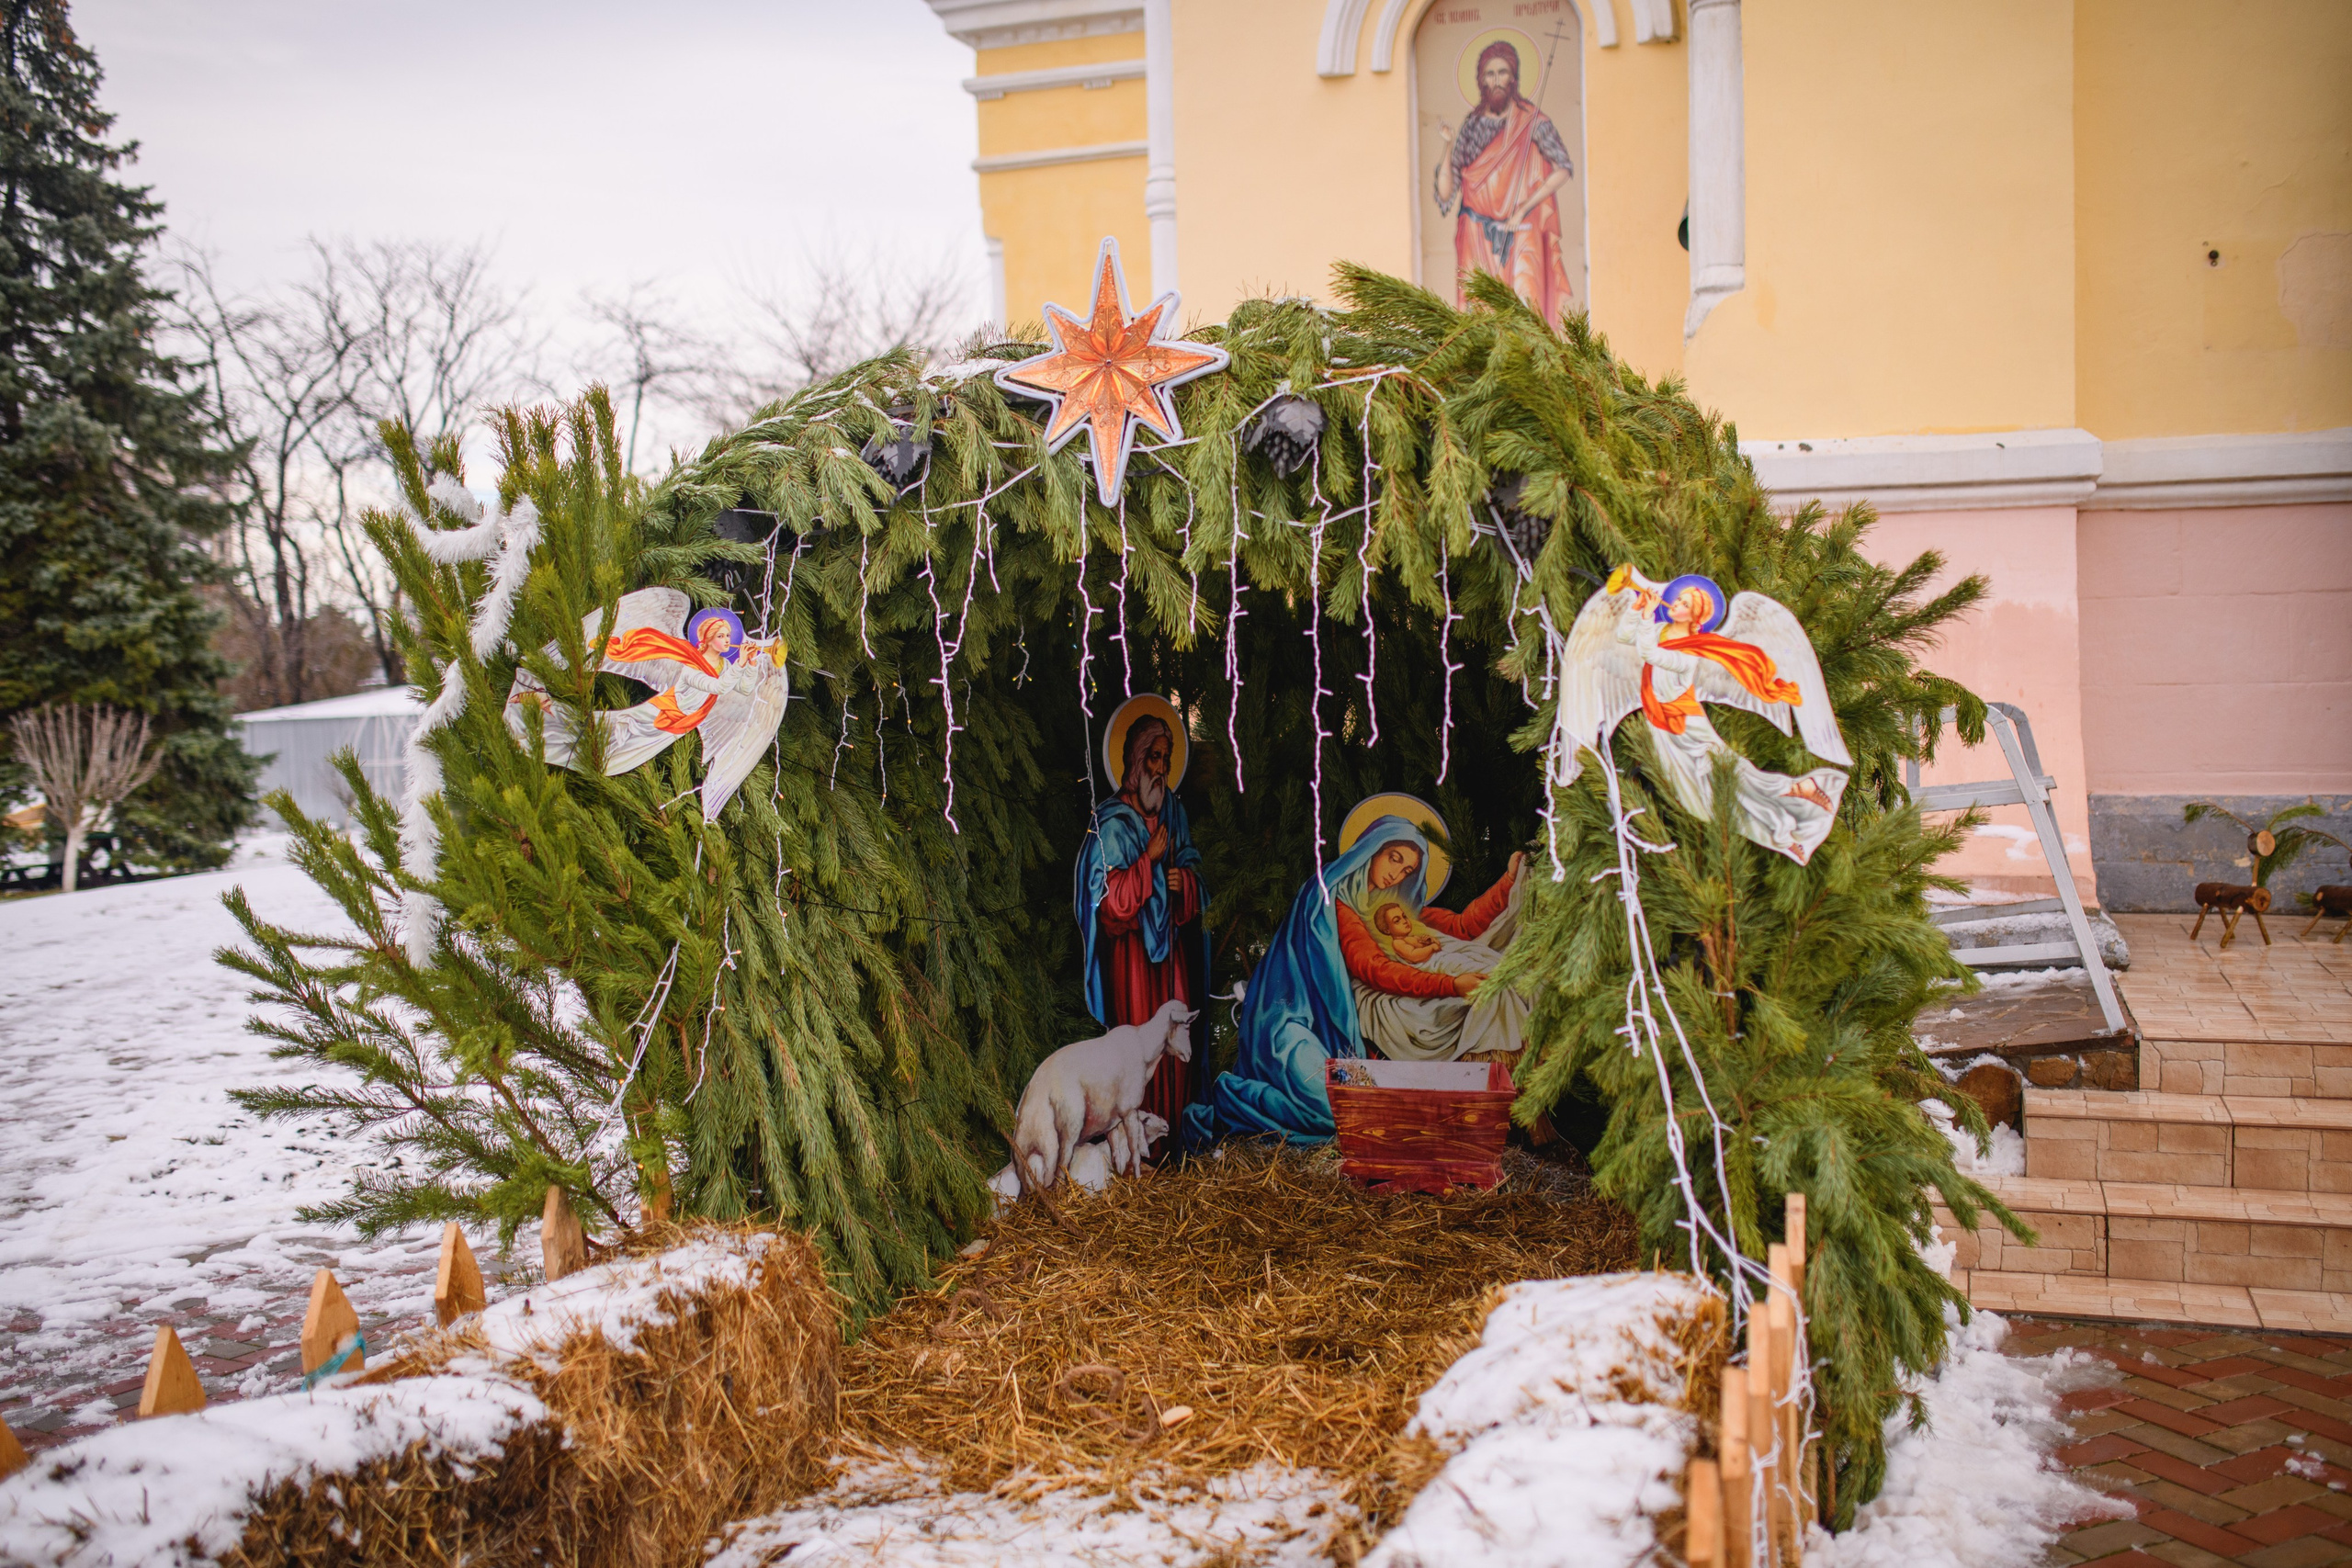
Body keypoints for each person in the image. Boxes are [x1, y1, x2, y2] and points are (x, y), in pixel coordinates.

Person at [1186, 817, 1524, 1145]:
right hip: (1288, 1026)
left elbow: (1462, 926)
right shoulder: (1335, 900)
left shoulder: (1394, 910)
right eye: (1394, 858)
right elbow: (1372, 967)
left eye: (1407, 869)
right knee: (1337, 1110)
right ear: (1371, 850)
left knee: (1360, 1108)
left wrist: (1508, 882)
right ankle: (1233, 1099)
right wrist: (1450, 985)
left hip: (1335, 1036)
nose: (1396, 873)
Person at [1072, 715, 1209, 1145]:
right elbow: (1108, 903)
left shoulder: (1173, 811)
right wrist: (1148, 863)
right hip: (1132, 957)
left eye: (1166, 759)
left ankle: (1172, 1137)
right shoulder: (1111, 821)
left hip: (1171, 952)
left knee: (1177, 1043)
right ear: (1134, 761)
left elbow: (1198, 876)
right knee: (1137, 1049)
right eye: (1154, 757)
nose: (1162, 768)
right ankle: (1136, 1146)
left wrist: (1182, 882)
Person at [1434, 39, 1576, 322]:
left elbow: (1563, 168)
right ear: (1481, 80)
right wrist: (1448, 146)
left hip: (1521, 232)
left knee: (1526, 312)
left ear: (1513, 77)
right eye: (1490, 73)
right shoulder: (1472, 126)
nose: (1496, 80)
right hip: (1476, 235)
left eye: (1502, 72)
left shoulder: (1532, 121)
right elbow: (1446, 192)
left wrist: (1524, 208)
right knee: (1479, 320)